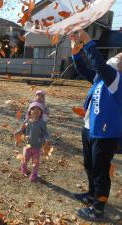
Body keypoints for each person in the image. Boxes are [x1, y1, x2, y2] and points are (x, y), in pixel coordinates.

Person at [70, 30, 122, 221]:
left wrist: (88, 41)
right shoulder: (101, 78)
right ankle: (91, 196)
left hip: (105, 134)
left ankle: (98, 209)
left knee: (101, 172)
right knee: (90, 166)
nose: (115, 57)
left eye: (118, 57)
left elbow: (99, 63)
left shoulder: (117, 80)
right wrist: (75, 51)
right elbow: (84, 69)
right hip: (89, 128)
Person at [15, 102, 50, 182]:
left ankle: (33, 175)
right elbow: (22, 130)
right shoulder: (27, 122)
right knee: (24, 160)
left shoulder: (42, 123)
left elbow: (45, 132)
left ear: (41, 112)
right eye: (33, 109)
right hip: (27, 146)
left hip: (37, 147)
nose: (36, 111)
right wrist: (18, 136)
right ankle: (23, 169)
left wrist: (47, 139)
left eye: (38, 109)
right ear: (30, 111)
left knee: (36, 163)